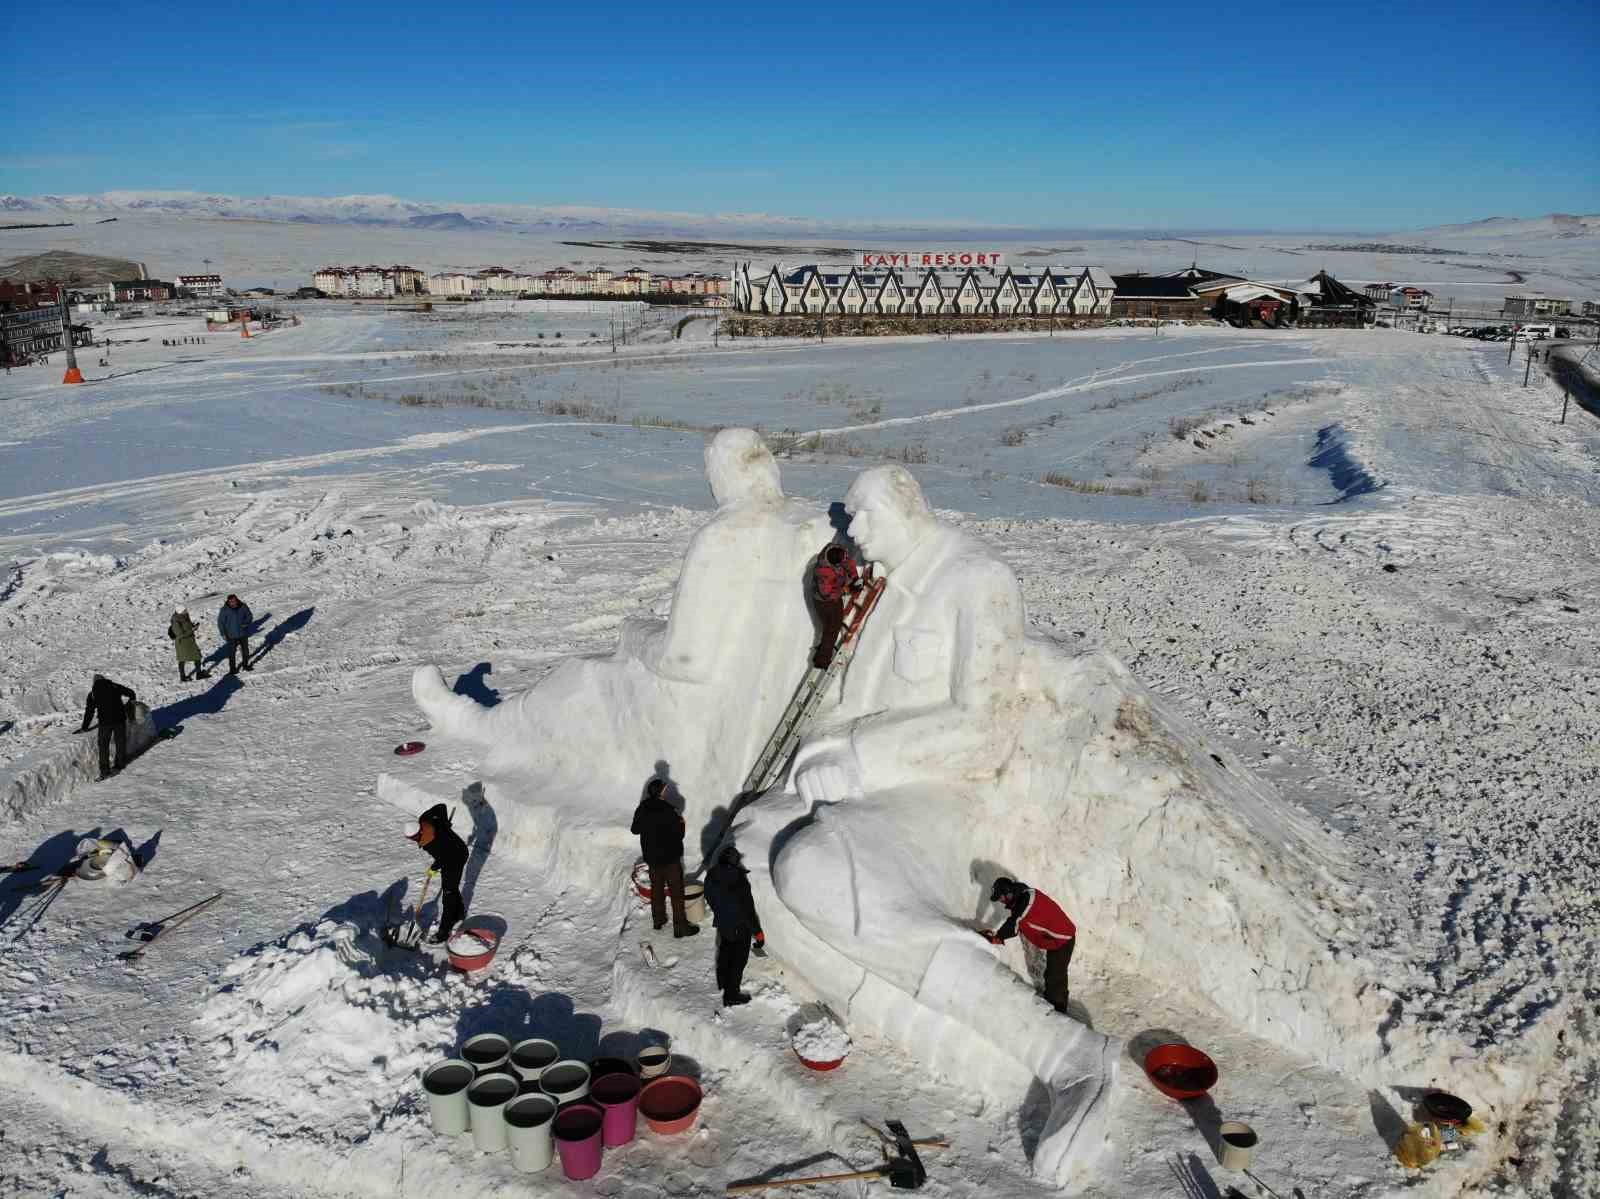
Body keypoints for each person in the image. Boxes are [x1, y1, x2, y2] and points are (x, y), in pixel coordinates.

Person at [984, 877, 1076, 1014]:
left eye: (1001, 898)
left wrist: (997, 937)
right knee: (1056, 975)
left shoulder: (1027, 900)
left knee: (1054, 977)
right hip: (1055, 938)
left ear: (1008, 893)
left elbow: (1014, 923)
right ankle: (1056, 1003)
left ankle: (1058, 1013)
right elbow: (1017, 921)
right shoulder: (1020, 899)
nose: (1001, 902)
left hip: (1062, 938)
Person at [630, 778, 698, 937]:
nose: (666, 791)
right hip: (670, 859)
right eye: (665, 789)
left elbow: (635, 829)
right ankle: (680, 926)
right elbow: (679, 835)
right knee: (676, 892)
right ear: (660, 791)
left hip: (652, 858)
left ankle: (658, 920)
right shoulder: (669, 811)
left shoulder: (642, 808)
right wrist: (682, 824)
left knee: (657, 889)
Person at [704, 844, 764, 1006]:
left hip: (723, 923)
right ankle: (731, 994)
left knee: (725, 950)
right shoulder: (739, 882)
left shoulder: (711, 875)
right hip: (739, 926)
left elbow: (709, 897)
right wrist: (758, 932)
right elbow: (748, 911)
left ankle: (722, 981)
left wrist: (721, 912)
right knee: (738, 961)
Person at [405, 803, 469, 944]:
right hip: (455, 849)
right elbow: (441, 807)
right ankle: (458, 913)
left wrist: (434, 867)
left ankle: (444, 932)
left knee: (448, 893)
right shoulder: (426, 819)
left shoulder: (432, 842)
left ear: (419, 832)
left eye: (415, 838)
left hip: (455, 857)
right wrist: (444, 822)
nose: (414, 840)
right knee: (451, 886)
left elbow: (444, 858)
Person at [809, 542, 861, 669]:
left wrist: (854, 577)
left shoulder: (839, 551)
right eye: (839, 564)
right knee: (832, 627)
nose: (843, 563)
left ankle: (822, 651)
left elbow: (848, 563)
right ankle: (822, 661)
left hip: (835, 591)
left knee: (833, 625)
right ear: (833, 564)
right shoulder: (823, 572)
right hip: (823, 600)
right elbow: (827, 594)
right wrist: (847, 590)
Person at [78, 673, 137, 779]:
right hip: (119, 719)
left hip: (105, 722)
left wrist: (84, 727)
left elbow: (89, 712)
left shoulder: (93, 693)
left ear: (94, 682)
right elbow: (131, 693)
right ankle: (120, 764)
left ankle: (105, 771)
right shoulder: (114, 686)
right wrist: (128, 706)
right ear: (104, 679)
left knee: (103, 745)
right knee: (120, 741)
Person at [168, 606, 207, 682]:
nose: (186, 611)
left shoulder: (185, 615)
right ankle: (183, 677)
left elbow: (187, 625)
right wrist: (192, 630)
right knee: (182, 659)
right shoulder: (175, 621)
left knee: (197, 656)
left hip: (190, 640)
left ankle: (199, 673)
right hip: (182, 643)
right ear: (180, 611)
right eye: (184, 610)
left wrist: (193, 626)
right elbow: (180, 634)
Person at [217, 594, 254, 674]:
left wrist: (246, 623)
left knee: (245, 651)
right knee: (232, 653)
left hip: (243, 633)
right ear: (228, 601)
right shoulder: (224, 610)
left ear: (236, 600)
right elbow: (220, 623)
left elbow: (249, 616)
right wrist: (223, 633)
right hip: (231, 635)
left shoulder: (243, 606)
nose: (233, 603)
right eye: (231, 602)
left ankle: (245, 665)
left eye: (234, 601)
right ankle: (232, 669)